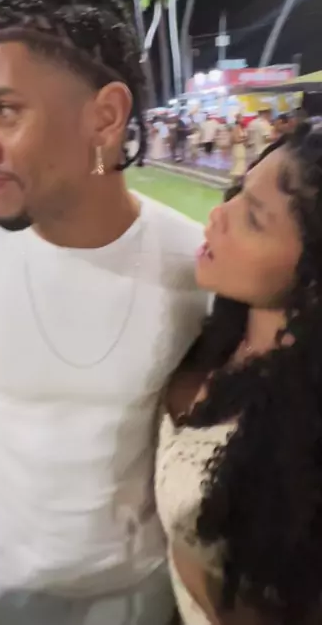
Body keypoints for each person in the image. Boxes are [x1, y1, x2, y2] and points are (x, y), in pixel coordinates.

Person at [0, 0, 208, 625]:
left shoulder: (197, 268)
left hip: (146, 593)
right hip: (1, 589)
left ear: (104, 116)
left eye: (6, 110)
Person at [156, 120, 322, 625]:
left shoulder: (303, 433)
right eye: (238, 190)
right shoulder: (220, 328)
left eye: (252, 218)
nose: (218, 214)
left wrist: (195, 564)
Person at [229, 113, 247, 184]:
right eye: (242, 118)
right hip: (238, 148)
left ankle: (236, 183)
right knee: (238, 167)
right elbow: (235, 140)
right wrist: (244, 139)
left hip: (242, 148)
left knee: (240, 166)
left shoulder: (241, 128)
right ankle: (234, 183)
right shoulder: (236, 128)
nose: (243, 119)